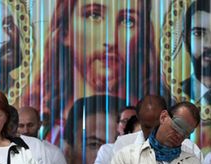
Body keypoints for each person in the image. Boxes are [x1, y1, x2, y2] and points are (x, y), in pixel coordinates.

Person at [24, 0, 157, 141]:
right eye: (94, 16)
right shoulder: (47, 130)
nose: (111, 40)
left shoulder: (148, 128)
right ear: (65, 32)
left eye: (128, 21)